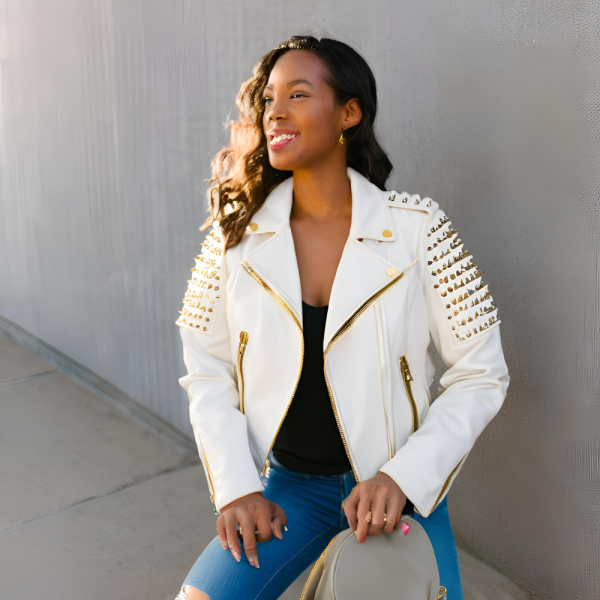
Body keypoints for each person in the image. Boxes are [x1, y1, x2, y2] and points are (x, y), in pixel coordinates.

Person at [173, 34, 510, 600]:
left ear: (348, 113)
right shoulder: (236, 232)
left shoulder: (419, 227)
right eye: (269, 98)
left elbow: (482, 373)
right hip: (289, 493)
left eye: (299, 94)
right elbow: (207, 368)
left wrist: (403, 477)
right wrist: (236, 488)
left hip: (394, 490)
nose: (275, 110)